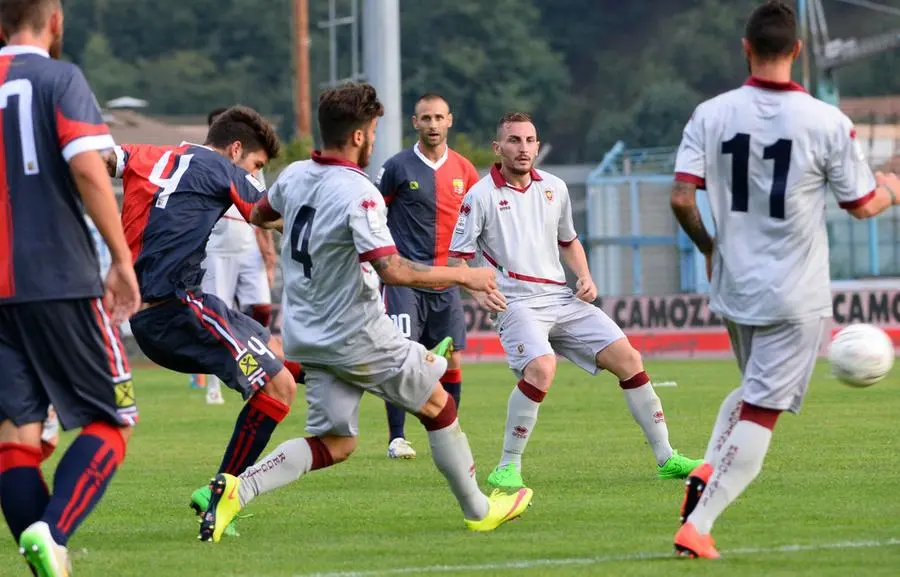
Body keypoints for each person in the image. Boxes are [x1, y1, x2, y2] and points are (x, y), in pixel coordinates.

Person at [198, 82, 533, 543]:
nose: (374, 138)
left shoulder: (295, 175)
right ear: (359, 136)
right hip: (355, 334)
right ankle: (480, 507)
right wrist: (465, 276)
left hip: (307, 334)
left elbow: (258, 214)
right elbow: (392, 269)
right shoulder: (360, 192)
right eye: (373, 129)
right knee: (440, 405)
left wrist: (311, 236)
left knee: (336, 443)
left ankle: (238, 489)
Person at [669, 1, 900, 559]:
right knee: (764, 410)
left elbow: (680, 197)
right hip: (795, 293)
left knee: (752, 392)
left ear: (746, 48)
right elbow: (864, 205)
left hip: (732, 283)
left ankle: (706, 463)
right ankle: (699, 525)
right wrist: (893, 185)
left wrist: (707, 247)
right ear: (797, 51)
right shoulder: (825, 121)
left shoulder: (710, 113)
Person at [448, 112, 703, 493]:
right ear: (497, 148)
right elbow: (458, 258)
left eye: (530, 140)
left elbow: (568, 241)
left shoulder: (555, 187)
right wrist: (478, 292)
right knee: (542, 369)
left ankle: (667, 457)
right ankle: (507, 466)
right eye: (514, 140)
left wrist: (585, 276)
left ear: (537, 145)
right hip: (517, 304)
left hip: (561, 298)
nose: (523, 148)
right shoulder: (480, 195)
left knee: (630, 360)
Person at [104, 106, 304, 536]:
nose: (255, 176)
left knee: (279, 358)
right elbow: (265, 214)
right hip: (177, 310)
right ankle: (220, 499)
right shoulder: (221, 167)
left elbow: (100, 159)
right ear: (236, 149)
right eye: (255, 166)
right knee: (278, 386)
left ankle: (356, 376)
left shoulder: (149, 153)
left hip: (159, 315)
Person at [0, 1, 141, 574]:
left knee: (17, 436)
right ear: (55, 20)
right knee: (111, 419)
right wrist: (121, 257)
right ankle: (52, 531)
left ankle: (45, 556)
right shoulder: (59, 78)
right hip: (57, 277)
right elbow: (88, 169)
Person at [375, 93, 479, 459]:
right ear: (414, 123)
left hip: (447, 281)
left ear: (449, 120)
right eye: (425, 118)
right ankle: (397, 437)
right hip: (404, 282)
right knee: (401, 357)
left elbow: (475, 225)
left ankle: (449, 432)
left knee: (450, 358)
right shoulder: (396, 167)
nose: (433, 124)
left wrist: (467, 270)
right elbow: (373, 218)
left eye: (438, 117)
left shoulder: (465, 171)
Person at [191, 107, 278, 405]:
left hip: (247, 246)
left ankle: (262, 365)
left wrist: (269, 254)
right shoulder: (204, 164)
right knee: (218, 318)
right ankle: (215, 384)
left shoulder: (252, 164)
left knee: (262, 308)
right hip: (216, 250)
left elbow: (263, 211)